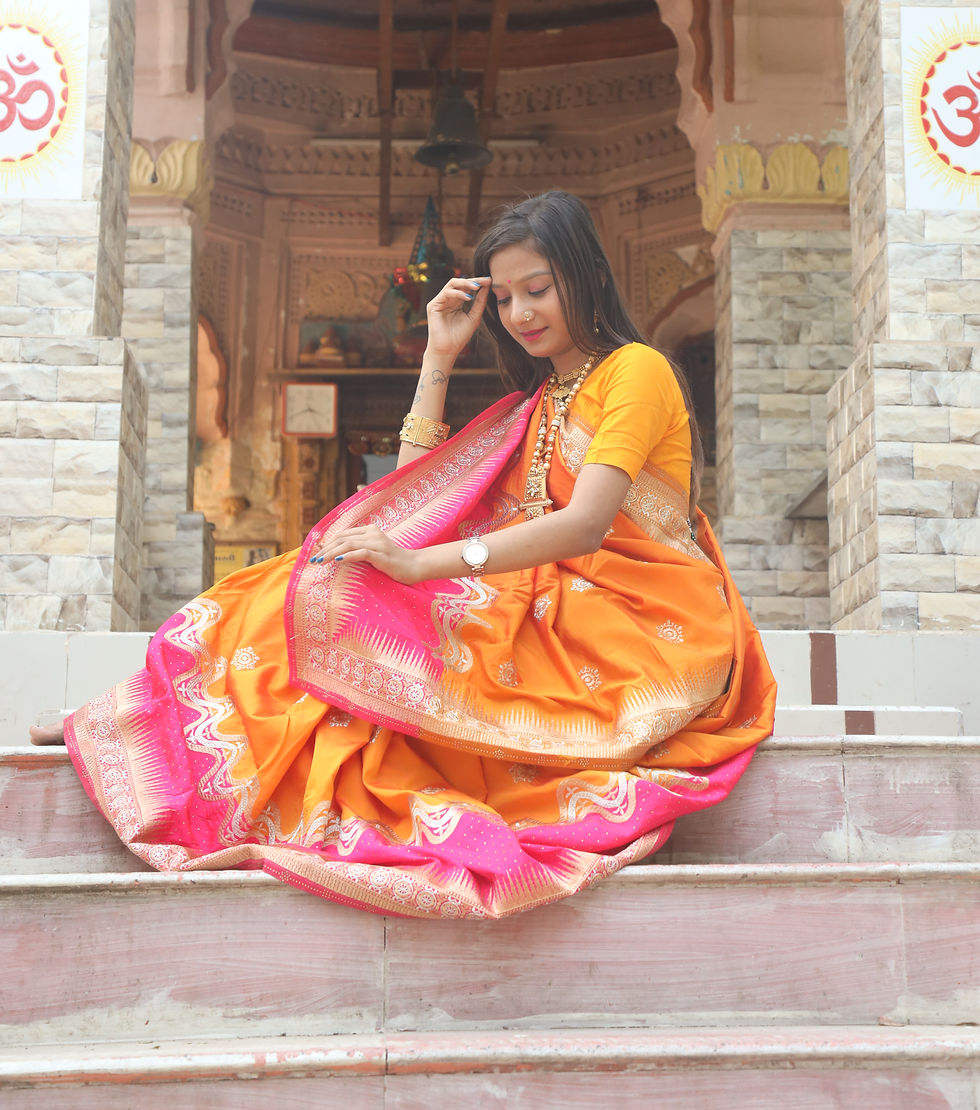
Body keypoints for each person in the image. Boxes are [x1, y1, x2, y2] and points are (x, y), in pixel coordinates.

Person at [45, 191, 776, 920]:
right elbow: (406, 495)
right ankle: (131, 724)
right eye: (508, 297)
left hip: (634, 622)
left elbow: (585, 527)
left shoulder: (634, 371)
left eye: (539, 290)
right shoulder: (548, 396)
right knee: (317, 573)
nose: (520, 314)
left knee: (371, 604)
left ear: (584, 275)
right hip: (546, 595)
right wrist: (438, 358)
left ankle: (165, 745)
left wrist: (424, 566)